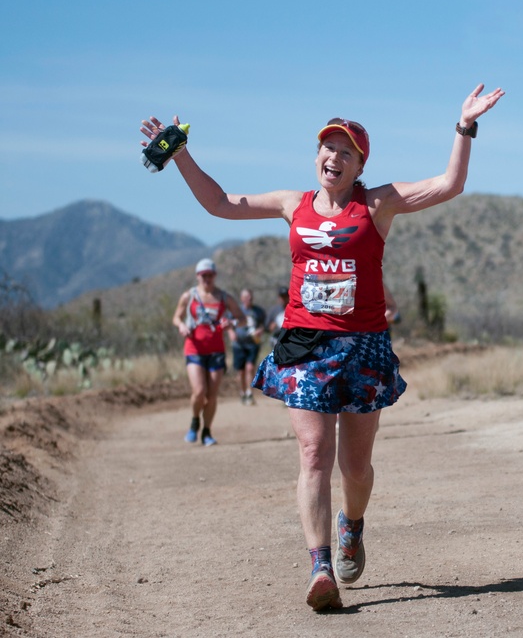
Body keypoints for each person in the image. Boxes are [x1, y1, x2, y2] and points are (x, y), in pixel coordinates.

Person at [140, 83, 504, 611]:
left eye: (346, 151)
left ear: (359, 165)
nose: (333, 156)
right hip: (305, 344)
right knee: (314, 454)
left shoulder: (377, 203)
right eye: (326, 148)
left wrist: (465, 125)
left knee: (356, 468)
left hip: (363, 345)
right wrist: (180, 155)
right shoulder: (294, 205)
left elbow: (450, 184)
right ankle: (321, 567)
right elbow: (220, 204)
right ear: (316, 157)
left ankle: (352, 524)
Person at [171, 258, 245, 446]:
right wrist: (181, 326)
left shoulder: (224, 297)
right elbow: (176, 317)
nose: (207, 279)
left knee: (212, 395)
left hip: (216, 351)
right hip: (194, 348)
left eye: (210, 275)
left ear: (215, 276)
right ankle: (195, 420)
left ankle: (206, 431)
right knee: (199, 391)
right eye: (203, 275)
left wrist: (232, 323)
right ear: (197, 276)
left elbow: (242, 319)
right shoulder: (189, 296)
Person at [230, 288, 267, 405]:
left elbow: (264, 325)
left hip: (253, 344)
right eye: (246, 297)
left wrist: (260, 331)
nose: (248, 300)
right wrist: (231, 332)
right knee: (240, 372)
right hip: (238, 344)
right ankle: (243, 392)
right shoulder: (236, 311)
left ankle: (250, 393)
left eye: (250, 297)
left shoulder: (259, 311)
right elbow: (229, 324)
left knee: (250, 368)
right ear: (242, 299)